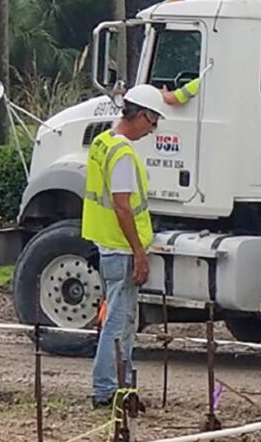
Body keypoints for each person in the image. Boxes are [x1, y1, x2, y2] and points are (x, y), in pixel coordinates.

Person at [82, 84, 166, 408]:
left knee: (122, 319)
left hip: (109, 245)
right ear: (141, 115)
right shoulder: (122, 154)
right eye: (153, 120)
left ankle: (118, 384)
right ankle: (107, 390)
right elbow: (122, 206)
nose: (153, 128)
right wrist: (139, 253)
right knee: (118, 323)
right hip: (121, 249)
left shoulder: (104, 143)